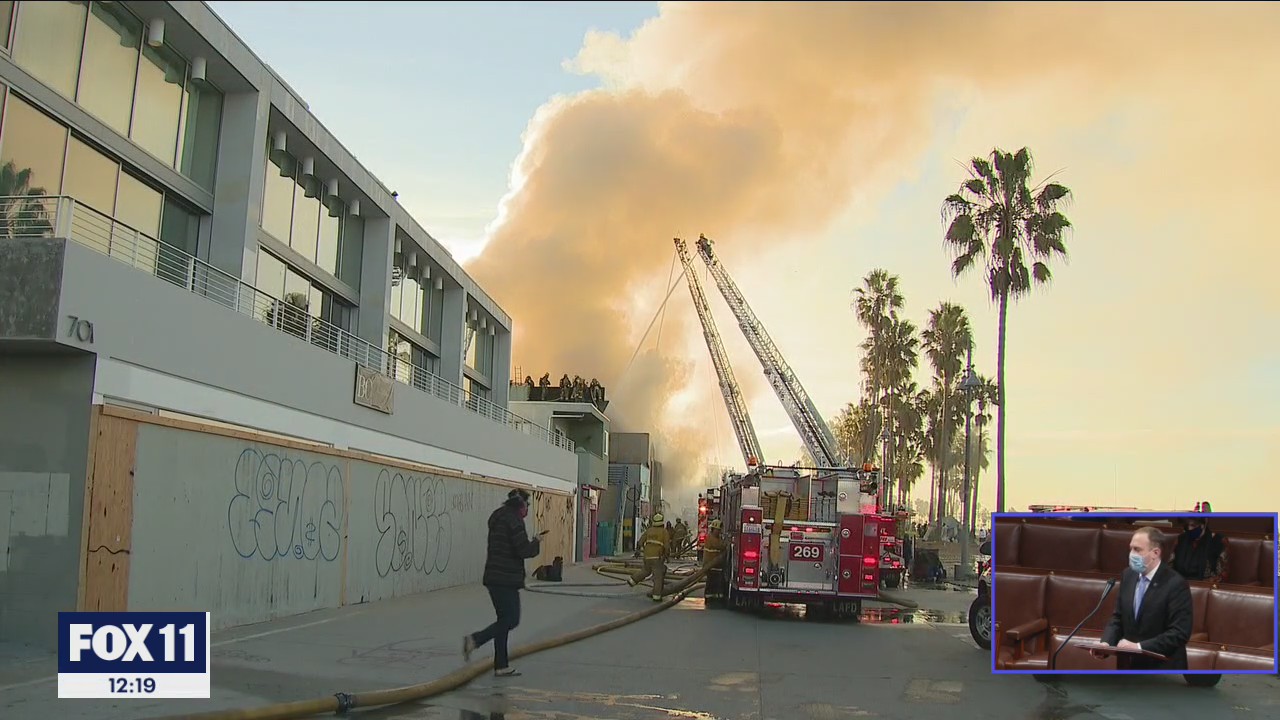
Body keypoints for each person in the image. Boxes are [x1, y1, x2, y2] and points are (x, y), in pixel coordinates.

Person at [463, 489, 543, 677]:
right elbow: (524, 550)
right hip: (505, 578)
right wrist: (536, 541)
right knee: (511, 620)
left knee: (503, 621)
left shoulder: (498, 517)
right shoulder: (514, 521)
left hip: (493, 577)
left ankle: (501, 665)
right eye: (527, 505)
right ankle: (475, 640)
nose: (528, 510)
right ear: (521, 505)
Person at [1097, 526, 1193, 670]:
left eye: (1137, 549)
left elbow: (1179, 633)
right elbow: (1118, 617)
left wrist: (1139, 647)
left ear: (1155, 553)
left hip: (1162, 670)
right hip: (1128, 667)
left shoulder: (1176, 584)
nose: (1131, 554)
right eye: (1131, 549)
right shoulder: (1128, 575)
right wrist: (1106, 643)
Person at [1170, 512, 1228, 583]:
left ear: (1203, 525)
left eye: (1193, 525)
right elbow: (1170, 568)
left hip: (1205, 587)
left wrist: (1201, 587)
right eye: (1186, 526)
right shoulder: (1181, 539)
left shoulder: (1217, 541)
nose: (1189, 529)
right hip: (1179, 585)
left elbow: (1222, 575)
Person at [629, 513, 670, 600]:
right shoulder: (664, 532)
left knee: (646, 570)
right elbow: (667, 546)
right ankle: (656, 595)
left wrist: (638, 551)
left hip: (647, 556)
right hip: (657, 557)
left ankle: (633, 580)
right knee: (658, 575)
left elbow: (640, 542)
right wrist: (666, 556)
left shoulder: (649, 530)